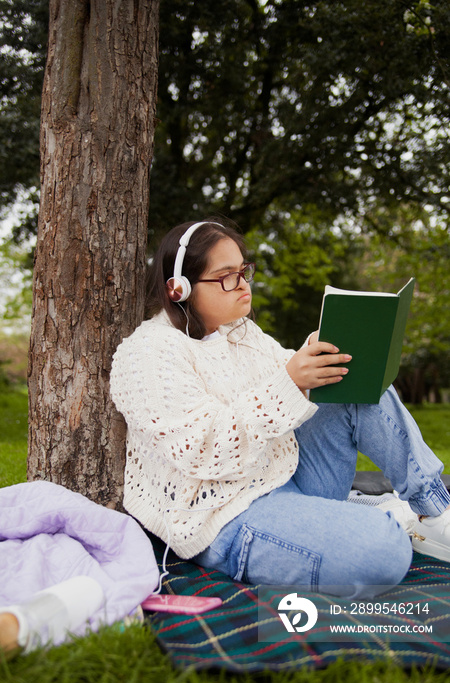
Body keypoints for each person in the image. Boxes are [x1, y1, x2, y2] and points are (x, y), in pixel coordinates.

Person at [110, 219, 450, 599]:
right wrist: (291, 381)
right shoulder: (147, 355)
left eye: (244, 271)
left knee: (349, 383)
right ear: (179, 289)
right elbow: (201, 451)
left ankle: (433, 511)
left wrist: (316, 358)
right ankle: (376, 519)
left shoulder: (239, 331)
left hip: (284, 476)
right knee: (384, 550)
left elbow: (286, 376)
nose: (242, 284)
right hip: (224, 516)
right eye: (225, 276)